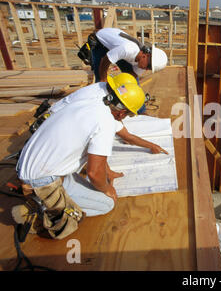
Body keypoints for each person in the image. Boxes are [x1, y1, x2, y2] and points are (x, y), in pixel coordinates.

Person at [12, 73, 168, 239]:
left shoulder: (92, 102)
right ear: (122, 113)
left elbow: (98, 156)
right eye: (129, 114)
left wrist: (106, 171)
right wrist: (108, 189)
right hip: (41, 179)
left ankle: (48, 199)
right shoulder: (106, 122)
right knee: (106, 204)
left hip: (30, 163)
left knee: (90, 187)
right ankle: (43, 213)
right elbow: (94, 173)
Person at [91, 27, 168, 84]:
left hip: (118, 49)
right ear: (146, 56)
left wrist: (124, 86)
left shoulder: (142, 63)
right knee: (100, 79)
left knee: (134, 83)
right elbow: (106, 60)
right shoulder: (128, 49)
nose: (146, 69)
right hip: (100, 42)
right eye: (148, 66)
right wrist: (104, 79)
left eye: (149, 68)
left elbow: (132, 76)